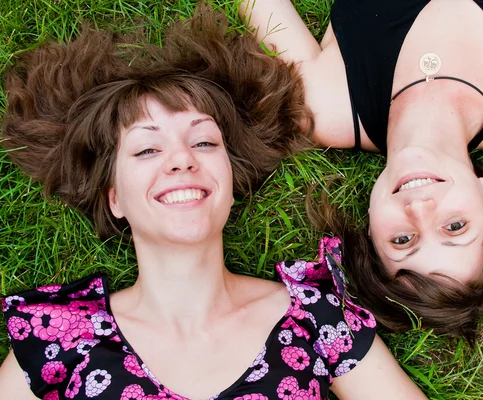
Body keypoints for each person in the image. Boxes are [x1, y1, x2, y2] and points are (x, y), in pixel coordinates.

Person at [0, 7, 427, 400]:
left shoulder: (316, 318)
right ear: (115, 199)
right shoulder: (58, 338)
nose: (182, 159)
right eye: (147, 150)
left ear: (230, 179)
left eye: (203, 141)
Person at [239, 0, 483, 341]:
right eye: (455, 226)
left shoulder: (325, 106)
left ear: (372, 233)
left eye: (402, 240)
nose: (418, 208)